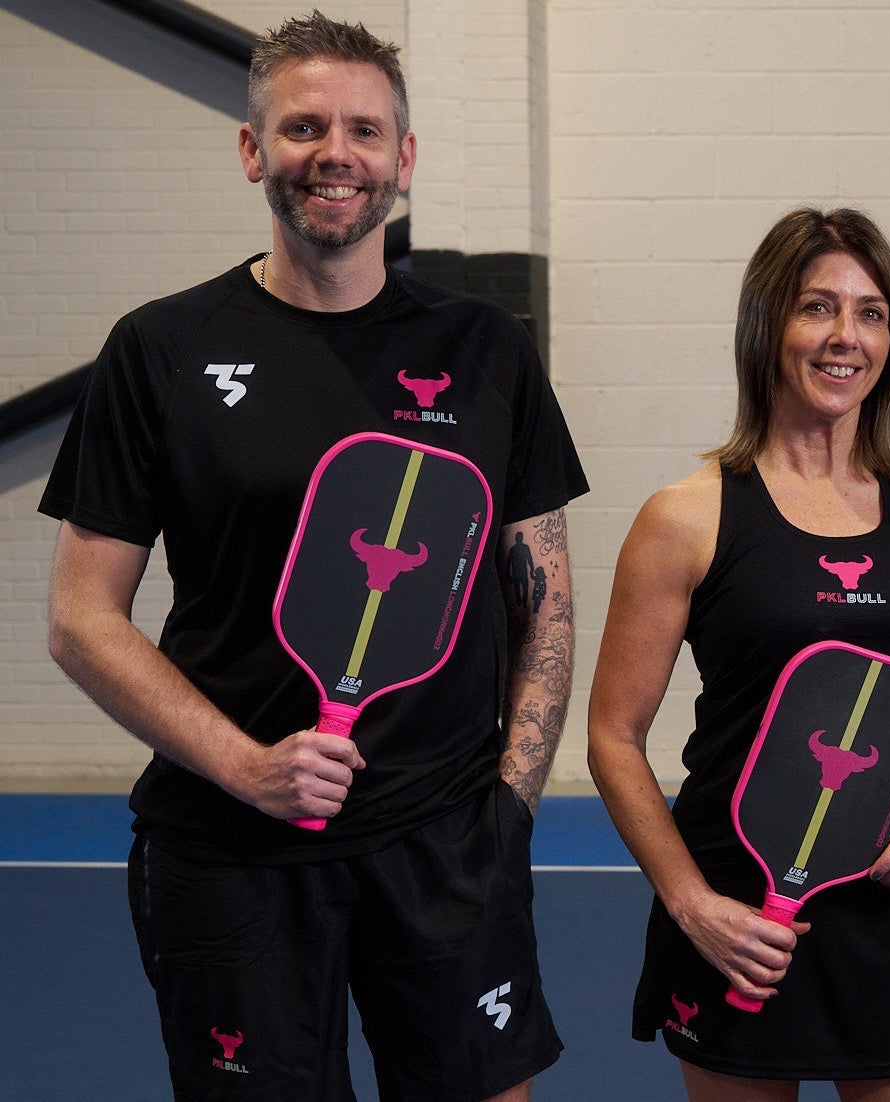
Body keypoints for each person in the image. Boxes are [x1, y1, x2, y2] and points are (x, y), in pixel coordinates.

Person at [41, 12, 586, 1101]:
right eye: (303, 126)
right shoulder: (160, 349)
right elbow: (81, 618)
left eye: (364, 130)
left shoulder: (486, 351)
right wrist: (246, 764)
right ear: (252, 151)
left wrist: (509, 809)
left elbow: (547, 605)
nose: (335, 152)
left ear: (403, 160)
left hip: (445, 846)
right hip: (229, 851)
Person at [586, 207, 890, 1101]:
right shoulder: (686, 515)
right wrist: (693, 907)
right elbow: (613, 736)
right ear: (768, 326)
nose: (846, 336)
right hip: (739, 909)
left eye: (872, 312)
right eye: (818, 308)